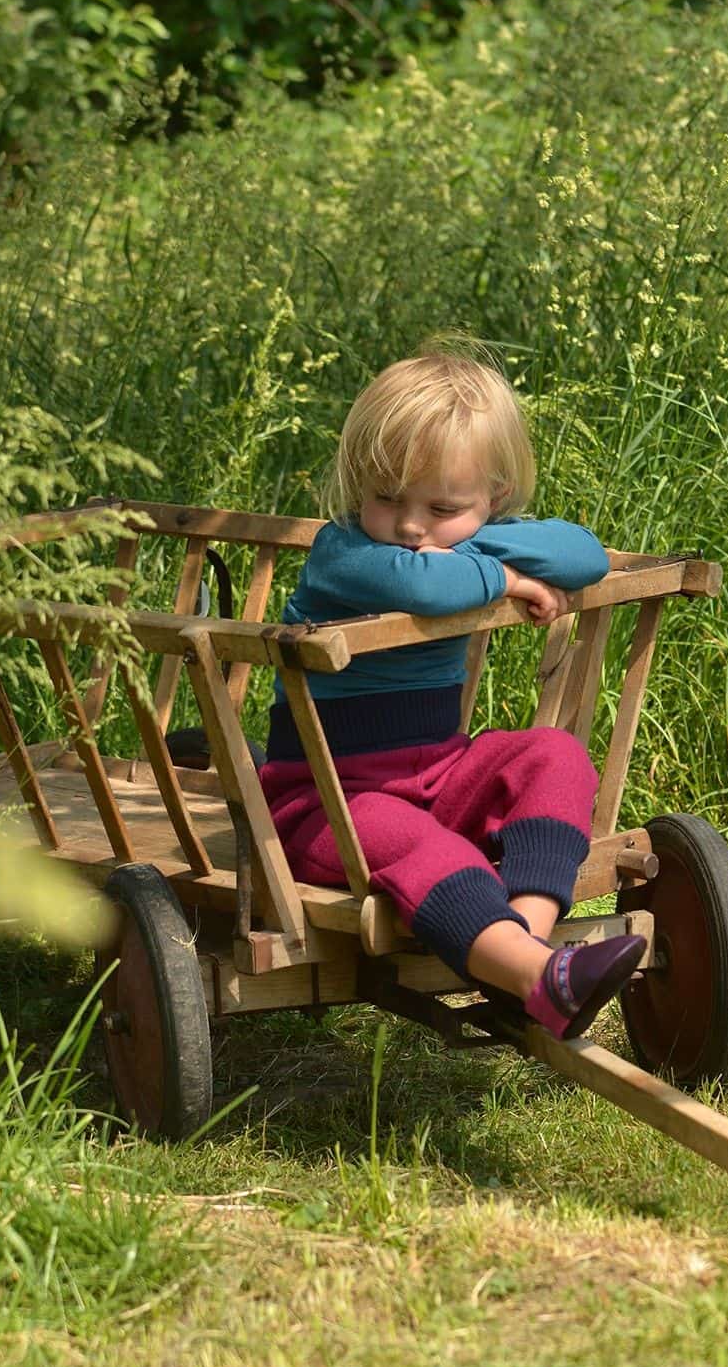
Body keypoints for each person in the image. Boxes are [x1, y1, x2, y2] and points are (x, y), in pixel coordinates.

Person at [259, 347, 646, 1039]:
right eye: (386, 498)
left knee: (553, 756)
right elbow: (419, 584)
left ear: (493, 498)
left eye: (442, 506)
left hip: (437, 772)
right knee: (422, 846)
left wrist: (481, 551)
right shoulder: (342, 552)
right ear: (357, 486)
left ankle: (526, 955)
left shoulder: (475, 539)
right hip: (326, 800)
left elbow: (582, 554)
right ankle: (528, 971)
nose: (410, 527)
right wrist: (507, 579)